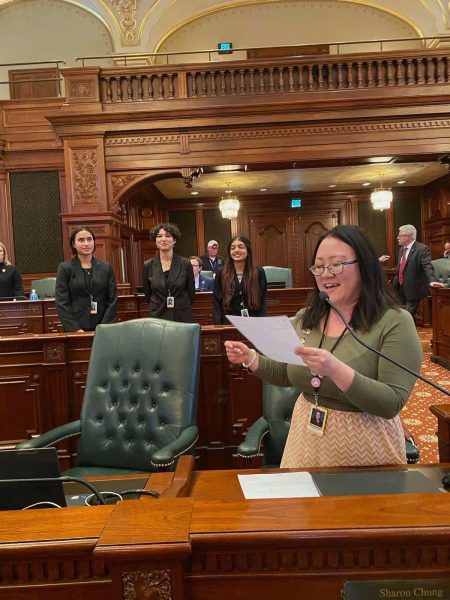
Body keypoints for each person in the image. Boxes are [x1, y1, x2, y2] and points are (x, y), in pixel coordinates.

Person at [225, 224, 423, 469]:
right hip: (305, 438)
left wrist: (335, 369)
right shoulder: (306, 317)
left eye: (337, 264)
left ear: (364, 266)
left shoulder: (394, 322)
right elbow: (289, 373)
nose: (326, 273)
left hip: (366, 446)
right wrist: (251, 358)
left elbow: (390, 402)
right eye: (319, 266)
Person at [55, 226, 117, 332]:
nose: (86, 243)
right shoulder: (65, 268)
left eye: (89, 239)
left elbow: (112, 299)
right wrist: (75, 329)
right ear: (73, 244)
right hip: (76, 327)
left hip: (103, 326)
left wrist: (104, 327)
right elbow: (62, 302)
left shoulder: (106, 267)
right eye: (81, 240)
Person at [143, 223, 195, 322]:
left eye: (168, 236)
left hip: (181, 314)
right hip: (157, 314)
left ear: (174, 240)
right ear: (155, 241)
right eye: (159, 236)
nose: (163, 239)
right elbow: (148, 294)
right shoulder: (148, 265)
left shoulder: (185, 263)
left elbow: (191, 293)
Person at [213, 235, 267, 324]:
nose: (236, 250)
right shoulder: (221, 272)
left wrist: (262, 323)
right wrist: (218, 325)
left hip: (253, 323)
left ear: (248, 250)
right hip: (228, 323)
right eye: (232, 248)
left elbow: (263, 300)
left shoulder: (259, 272)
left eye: (241, 247)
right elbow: (216, 301)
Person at [392, 224, 443, 317]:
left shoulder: (422, 249)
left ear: (408, 236)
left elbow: (427, 266)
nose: (397, 238)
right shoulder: (401, 250)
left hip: (413, 288)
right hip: (400, 288)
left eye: (400, 235)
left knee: (407, 315)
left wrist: (432, 280)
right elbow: (401, 268)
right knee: (405, 316)